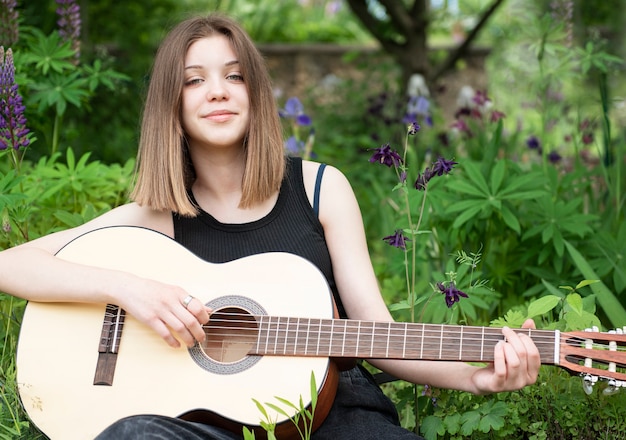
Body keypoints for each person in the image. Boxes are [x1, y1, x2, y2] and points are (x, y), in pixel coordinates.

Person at [0, 14, 540, 440]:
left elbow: (379, 337)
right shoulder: (155, 217)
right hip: (206, 427)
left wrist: (477, 376)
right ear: (171, 103)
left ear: (255, 91)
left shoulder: (320, 189)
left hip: (332, 418)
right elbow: (10, 265)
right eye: (194, 81)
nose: (218, 91)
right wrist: (129, 288)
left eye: (235, 75)